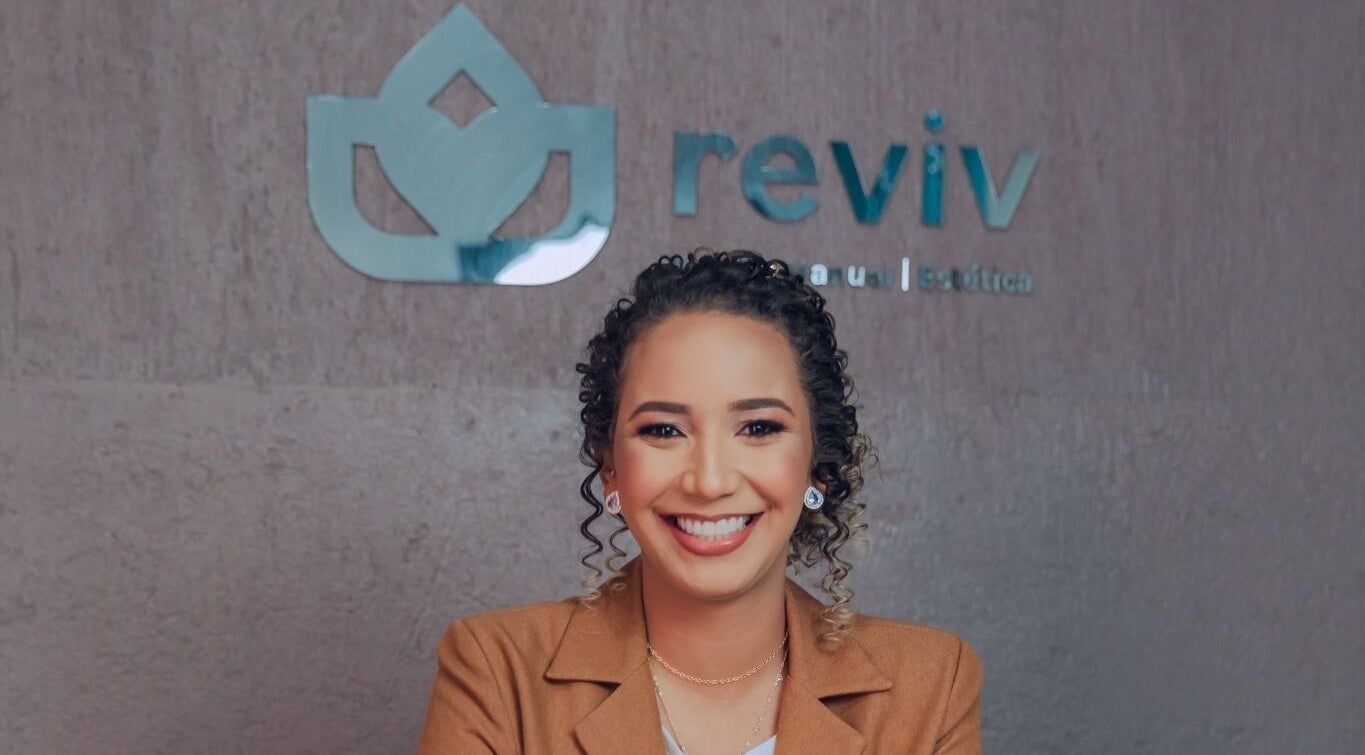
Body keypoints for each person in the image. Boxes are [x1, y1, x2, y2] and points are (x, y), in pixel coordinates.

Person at [416, 249, 982, 754]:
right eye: (664, 431)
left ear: (819, 462)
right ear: (610, 467)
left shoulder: (930, 686)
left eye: (758, 428)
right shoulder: (498, 671)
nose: (709, 482)